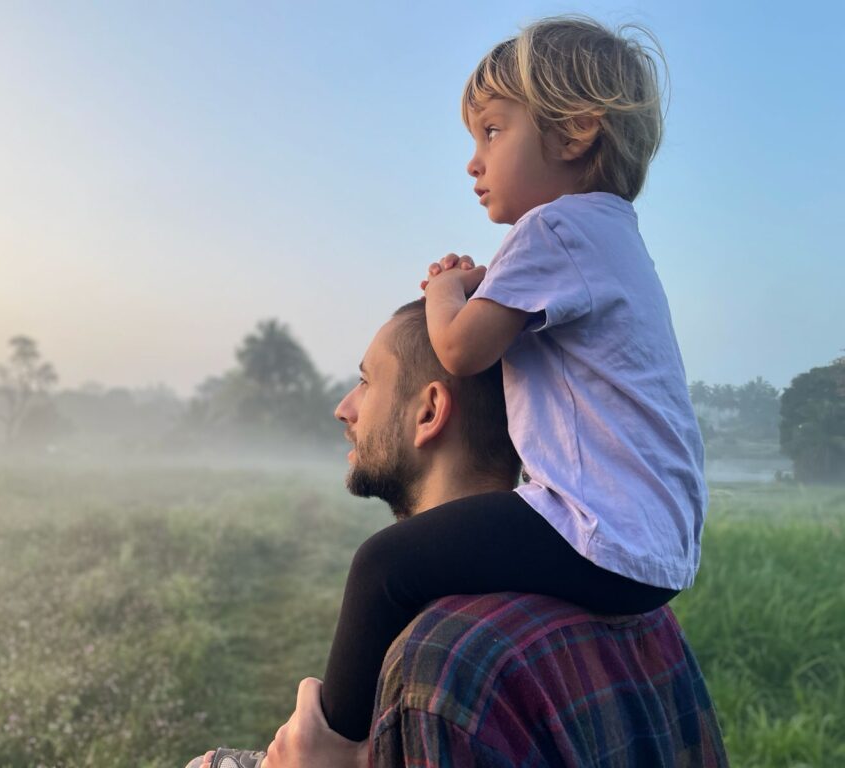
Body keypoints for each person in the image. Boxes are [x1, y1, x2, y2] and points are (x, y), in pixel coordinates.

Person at [194, 14, 707, 764]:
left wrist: (445, 287)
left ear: (576, 132)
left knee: (384, 566)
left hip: (598, 531)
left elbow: (462, 350)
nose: (474, 161)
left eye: (493, 131)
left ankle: (326, 750)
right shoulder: (615, 237)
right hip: (654, 548)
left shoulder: (556, 230)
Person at [190, 300, 725, 768]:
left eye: (366, 381)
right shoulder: (644, 611)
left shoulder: (444, 661)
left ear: (429, 411)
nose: (344, 408)